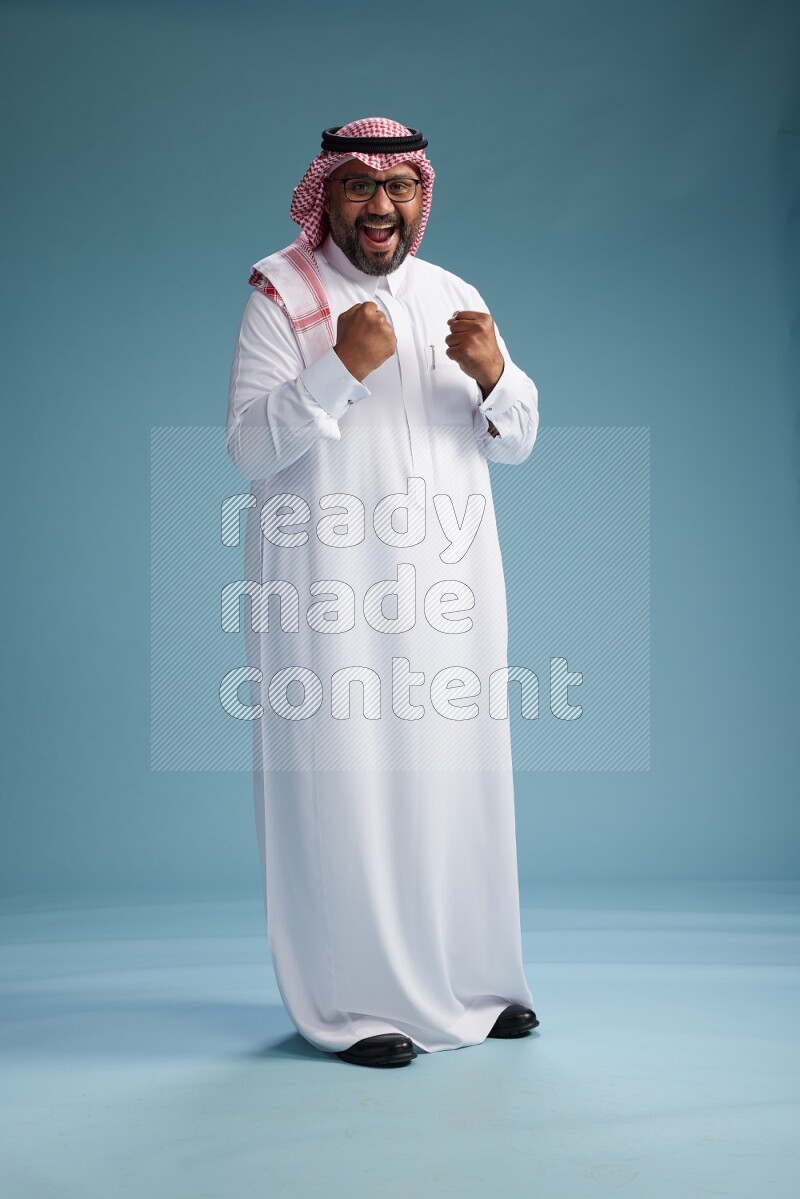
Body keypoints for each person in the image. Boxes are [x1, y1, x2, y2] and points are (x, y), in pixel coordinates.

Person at [226, 117, 541, 1068]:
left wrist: (496, 375)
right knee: (347, 786)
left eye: (399, 186)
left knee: (457, 780)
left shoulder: (456, 294)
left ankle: (477, 986)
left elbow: (518, 437)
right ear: (330, 194)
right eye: (360, 185)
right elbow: (249, 448)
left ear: (421, 196)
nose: (381, 205)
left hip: (449, 586)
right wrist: (341, 363)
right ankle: (350, 1003)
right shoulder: (284, 292)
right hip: (329, 592)